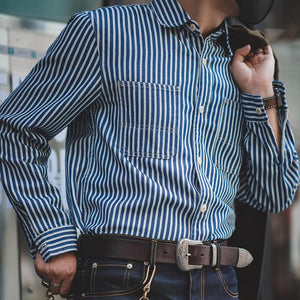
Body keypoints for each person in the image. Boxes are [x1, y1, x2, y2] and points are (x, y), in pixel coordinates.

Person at [0, 0, 299, 299]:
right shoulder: (105, 32)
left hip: (217, 281)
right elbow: (17, 129)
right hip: (123, 280)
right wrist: (53, 237)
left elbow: (273, 193)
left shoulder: (243, 58)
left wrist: (262, 95)